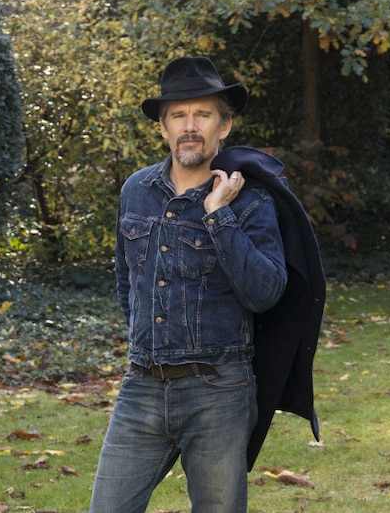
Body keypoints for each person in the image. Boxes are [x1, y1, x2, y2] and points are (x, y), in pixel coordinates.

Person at [89, 56, 288, 513]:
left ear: (224, 126)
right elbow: (128, 283)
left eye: (203, 114)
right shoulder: (135, 190)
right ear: (163, 128)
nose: (190, 126)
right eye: (178, 115)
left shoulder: (252, 201)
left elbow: (265, 293)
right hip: (141, 388)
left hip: (218, 391)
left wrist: (219, 215)